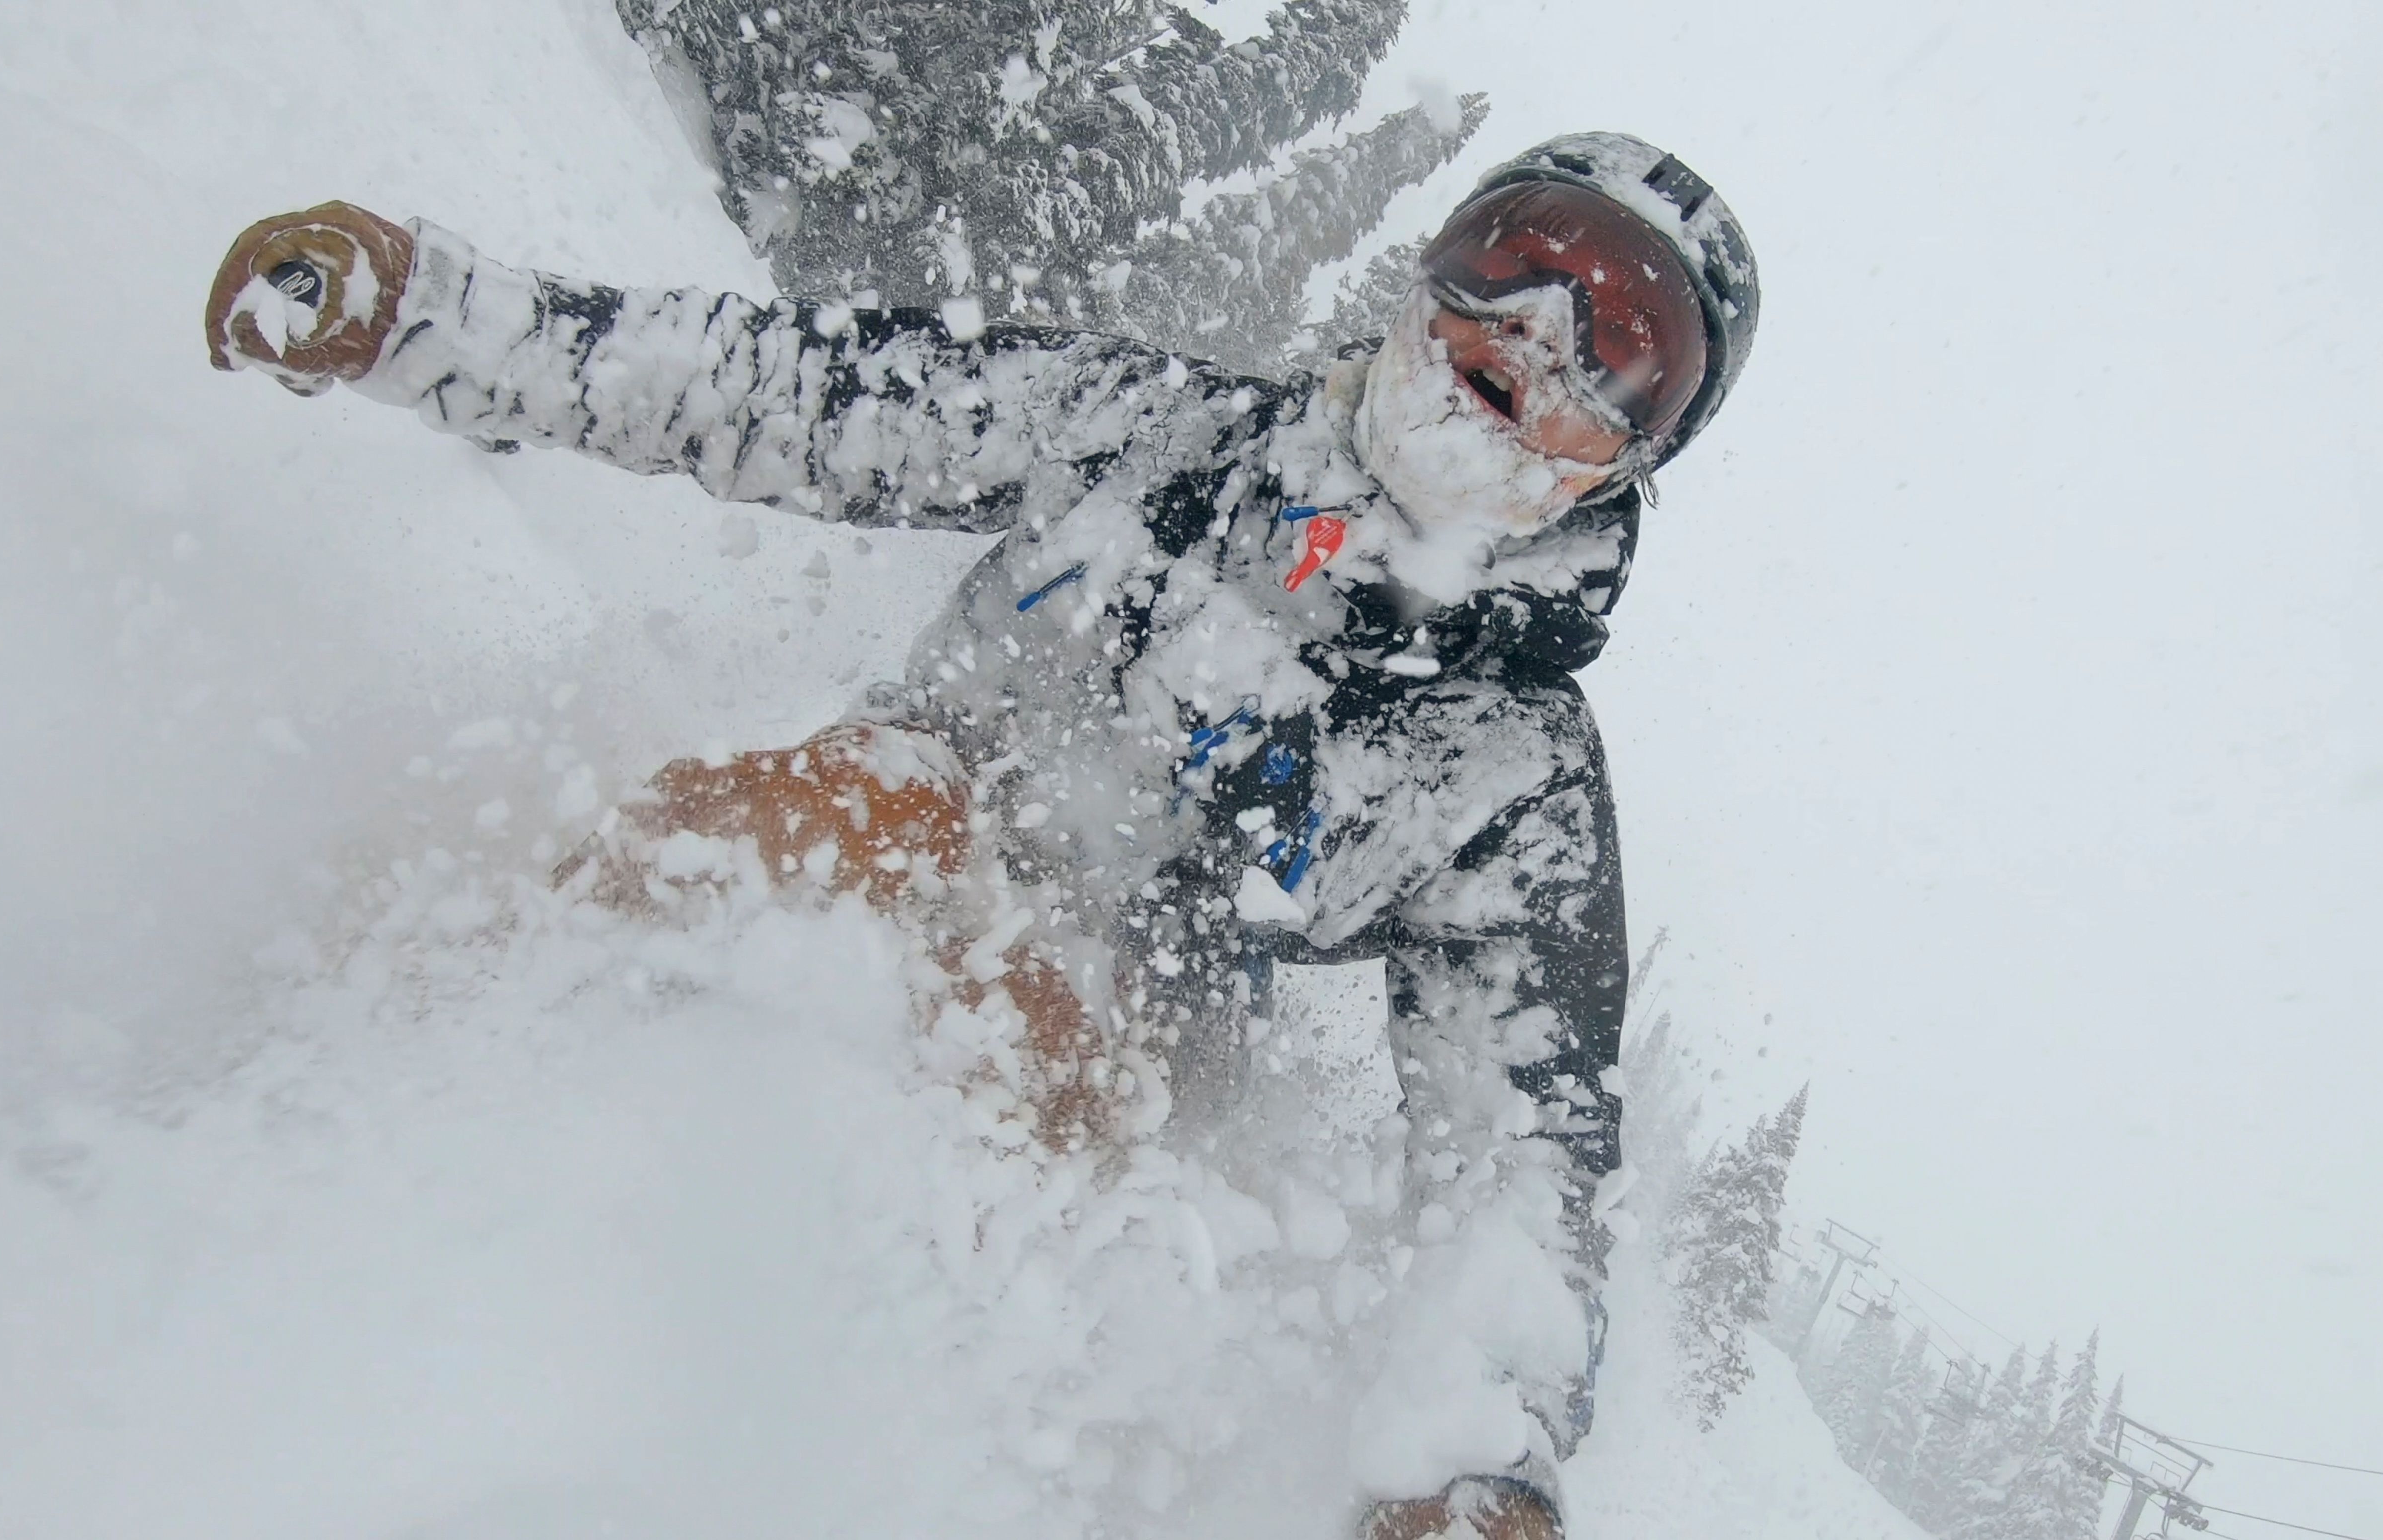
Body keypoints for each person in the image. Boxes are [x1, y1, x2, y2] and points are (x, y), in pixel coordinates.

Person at [204, 131, 1757, 1539]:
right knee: (850, 810)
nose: (1534, 339)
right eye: (1515, 263)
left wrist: (1475, 1468)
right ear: (1430, 276)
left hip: (1122, 1037)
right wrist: (431, 316)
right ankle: (375, 1115)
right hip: (884, 803)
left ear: (1632, 455)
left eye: (1620, 347)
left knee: (1009, 1023)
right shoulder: (1161, 440)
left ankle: (772, 1446)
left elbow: (1517, 1154)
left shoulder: (1504, 775)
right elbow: (794, 395)